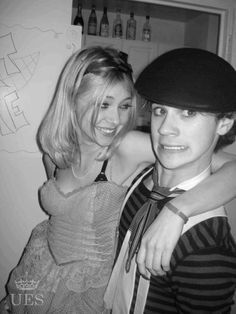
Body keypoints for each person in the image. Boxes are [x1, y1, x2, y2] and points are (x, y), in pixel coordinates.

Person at [1, 45, 236, 314]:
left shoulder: (124, 146)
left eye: (125, 106)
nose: (115, 120)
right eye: (103, 104)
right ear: (72, 99)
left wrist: (179, 210)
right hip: (41, 268)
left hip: (86, 292)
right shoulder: (54, 155)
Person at [104, 48, 236, 313]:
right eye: (160, 110)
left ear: (225, 123)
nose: (165, 129)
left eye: (188, 113)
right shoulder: (142, 179)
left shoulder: (207, 247)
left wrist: (177, 210)